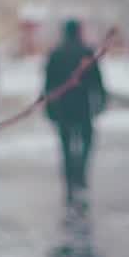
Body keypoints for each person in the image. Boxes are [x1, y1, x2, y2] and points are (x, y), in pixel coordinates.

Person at [44, 19, 107, 203]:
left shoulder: (56, 54)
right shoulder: (86, 53)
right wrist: (101, 101)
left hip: (63, 108)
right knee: (87, 141)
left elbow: (48, 84)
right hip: (83, 106)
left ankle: (70, 178)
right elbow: (97, 81)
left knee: (65, 144)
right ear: (78, 31)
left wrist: (48, 107)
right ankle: (81, 174)